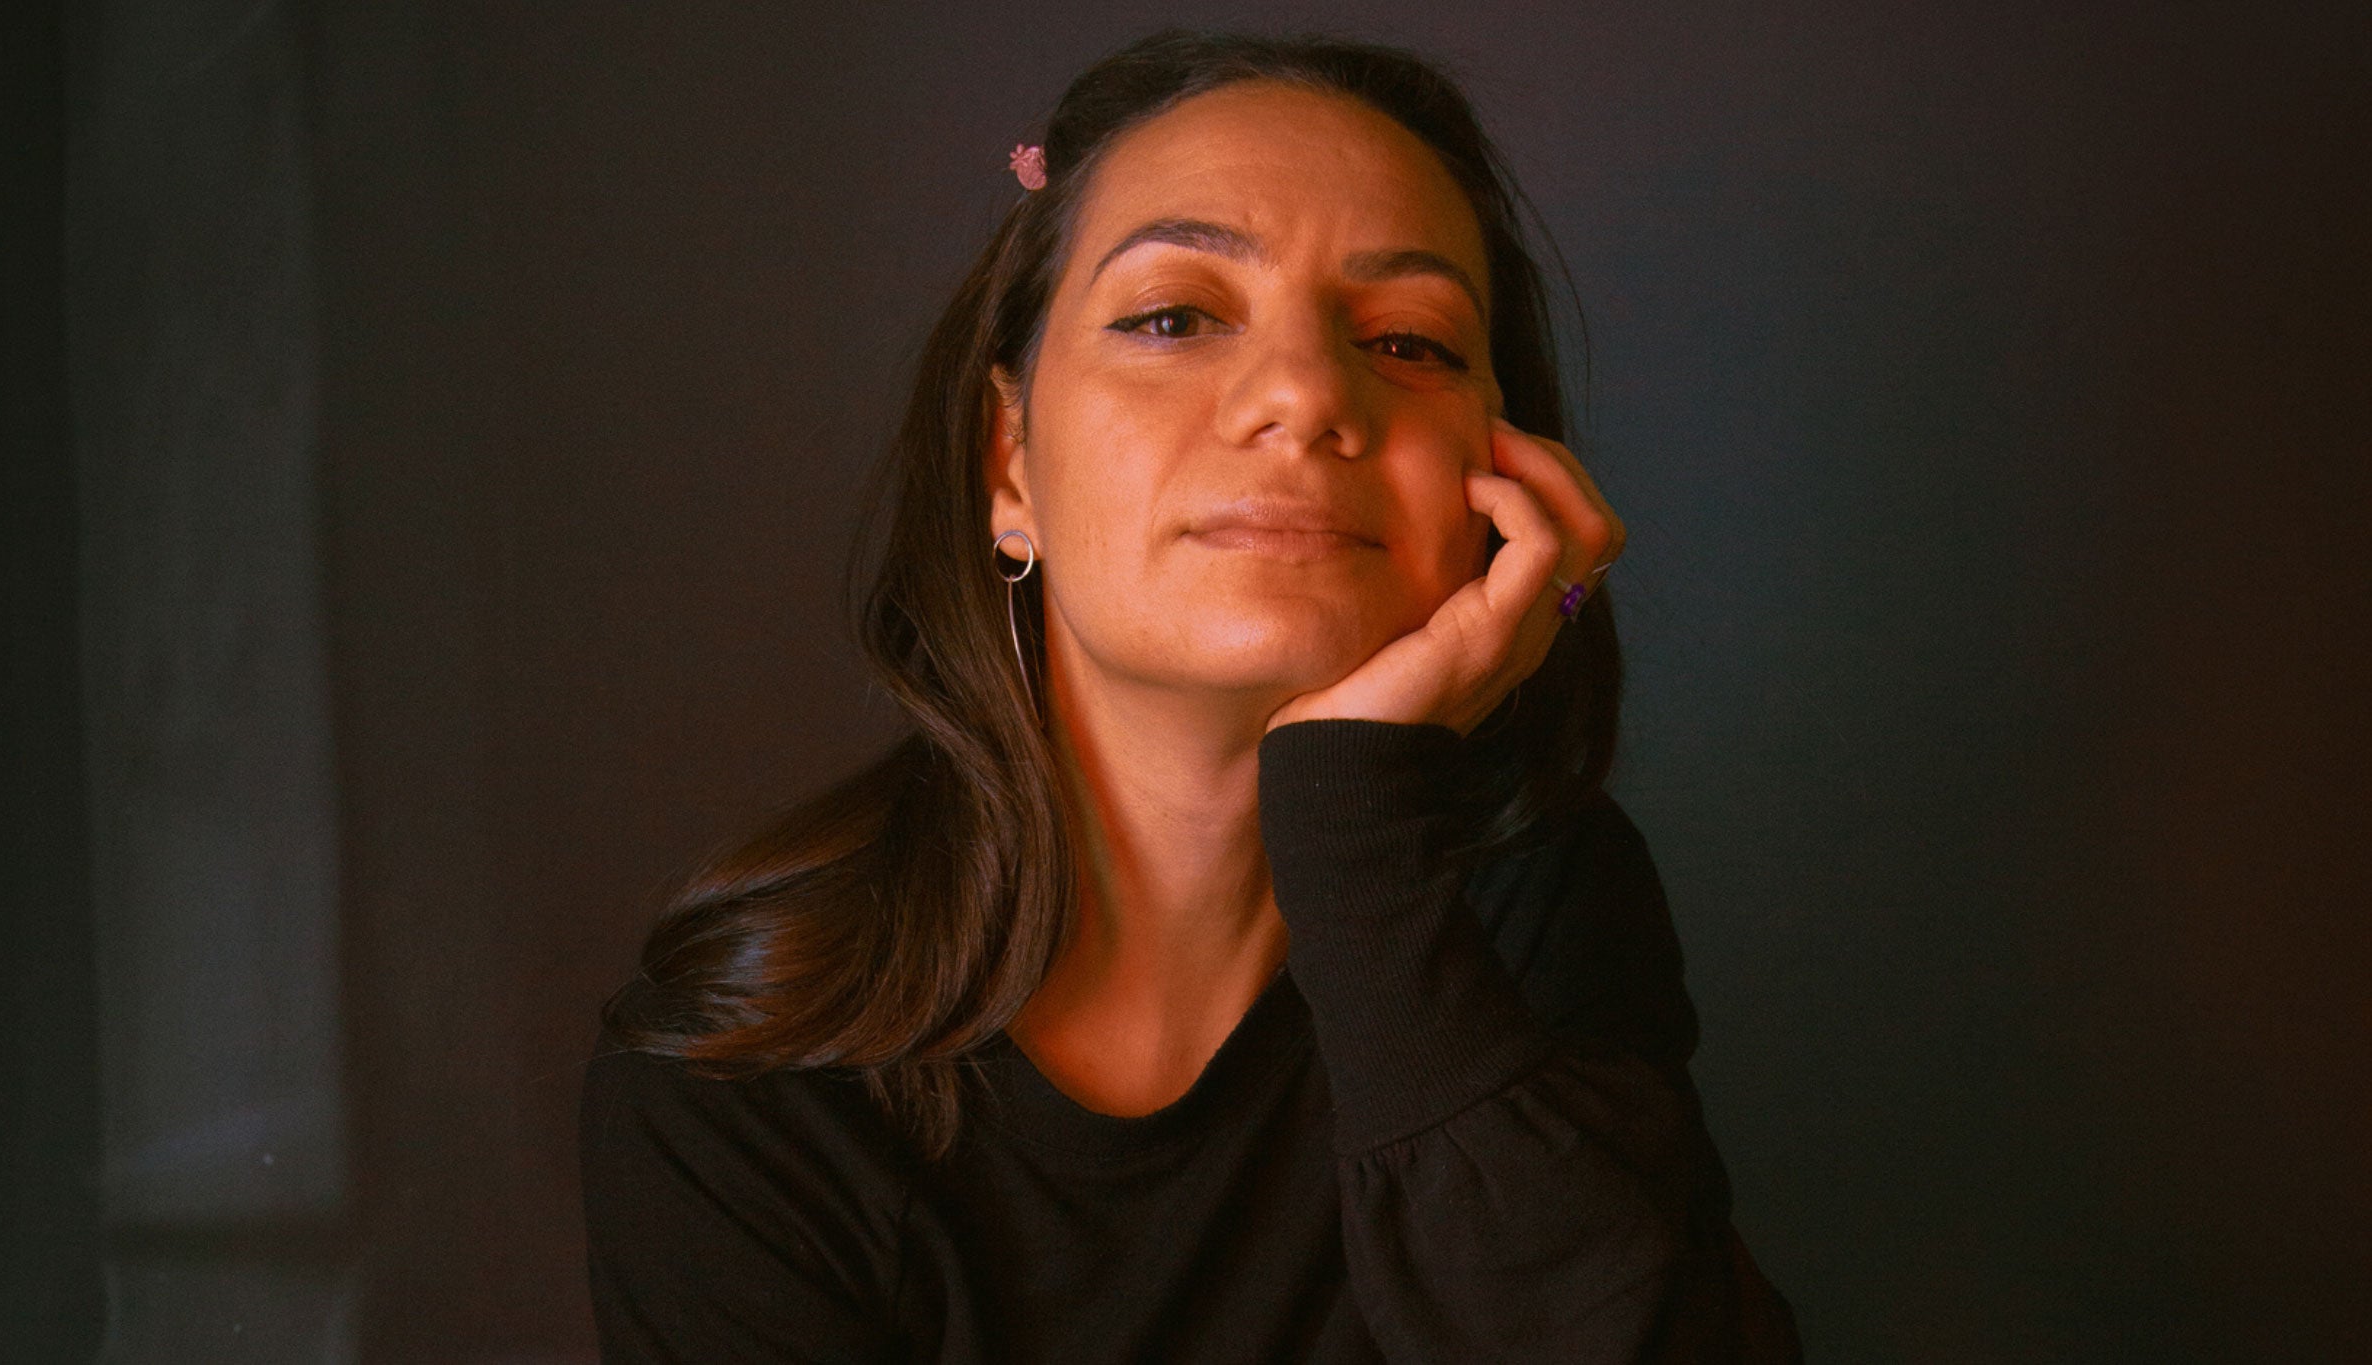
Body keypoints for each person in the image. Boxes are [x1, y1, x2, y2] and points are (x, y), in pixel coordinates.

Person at [580, 29, 1800, 1363]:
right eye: (1173, 318)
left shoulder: (1535, 910)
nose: (1304, 394)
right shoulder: (751, 1074)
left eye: (1408, 340)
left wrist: (1353, 816)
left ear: (1499, 481)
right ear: (1007, 462)